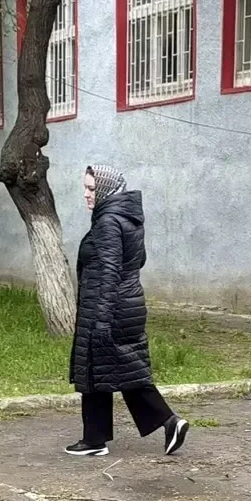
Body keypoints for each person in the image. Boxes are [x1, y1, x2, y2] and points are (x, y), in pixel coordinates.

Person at [66, 165, 188, 459]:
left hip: (108, 308)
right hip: (124, 305)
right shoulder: (126, 218)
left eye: (92, 188)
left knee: (111, 369)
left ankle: (168, 421)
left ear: (105, 189)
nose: (86, 194)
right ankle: (95, 438)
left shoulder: (108, 222)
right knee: (107, 369)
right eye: (85, 188)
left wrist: (102, 320)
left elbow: (109, 272)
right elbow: (136, 261)